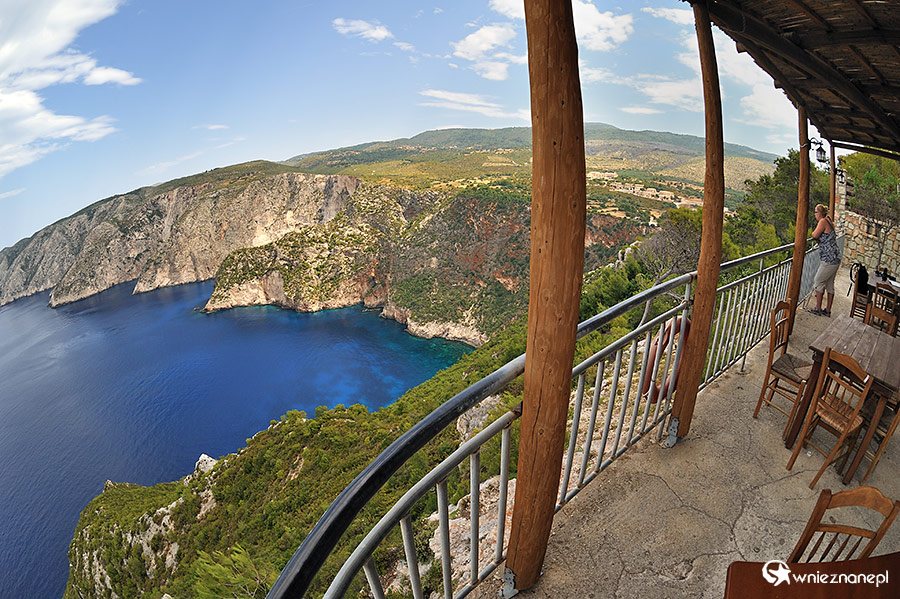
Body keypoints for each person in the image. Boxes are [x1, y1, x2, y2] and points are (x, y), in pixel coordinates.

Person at [808, 203, 841, 316]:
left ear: (820, 213)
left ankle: (818, 308)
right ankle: (827, 310)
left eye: (816, 212)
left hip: (829, 259)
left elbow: (814, 235)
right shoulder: (829, 221)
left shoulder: (822, 221)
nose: (814, 214)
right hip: (835, 257)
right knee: (830, 284)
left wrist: (814, 235)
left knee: (818, 281)